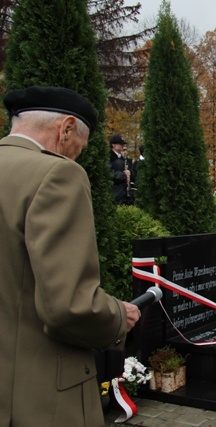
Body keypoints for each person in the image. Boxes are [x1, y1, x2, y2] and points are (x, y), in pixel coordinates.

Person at [0, 86, 141, 426]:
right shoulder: (56, 174)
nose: (79, 153)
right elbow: (68, 305)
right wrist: (118, 316)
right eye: (83, 142)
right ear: (65, 128)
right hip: (36, 396)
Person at [109, 134, 133, 205]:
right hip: (115, 192)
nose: (122, 146)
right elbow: (110, 173)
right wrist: (124, 175)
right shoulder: (109, 158)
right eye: (120, 144)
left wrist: (130, 172)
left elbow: (129, 170)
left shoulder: (123, 158)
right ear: (113, 145)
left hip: (124, 192)